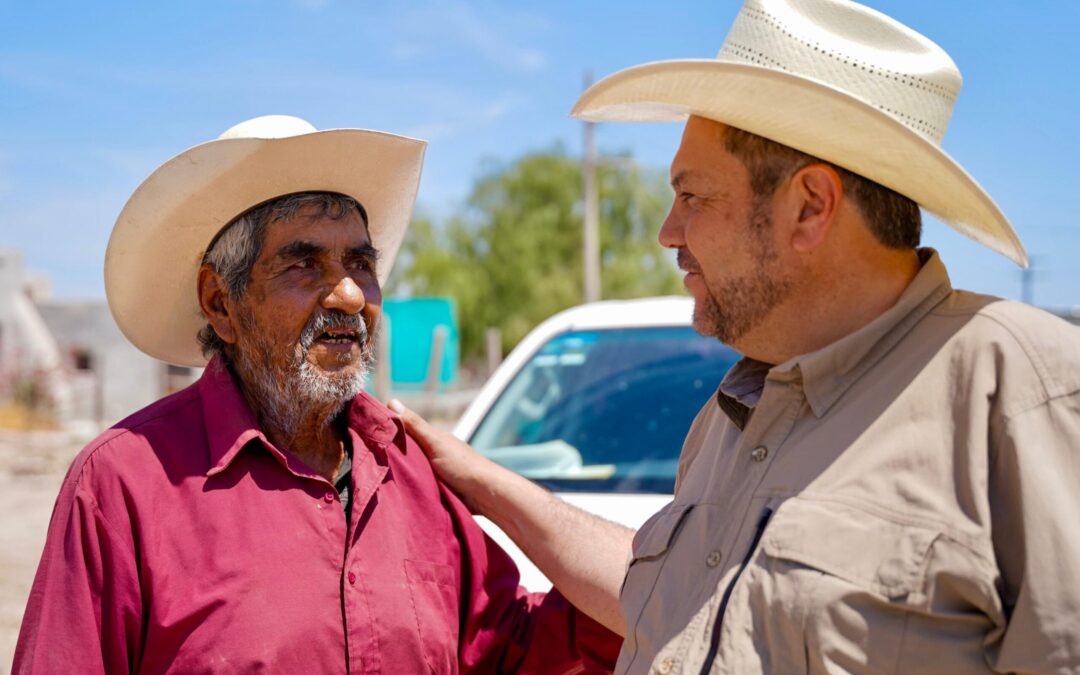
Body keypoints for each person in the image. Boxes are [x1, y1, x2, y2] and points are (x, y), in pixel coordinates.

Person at [391, 1, 1080, 673]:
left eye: (693, 195)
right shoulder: (738, 412)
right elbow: (668, 603)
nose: (668, 231)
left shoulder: (1021, 389)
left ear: (810, 206)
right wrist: (479, 478)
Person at [14, 115, 619, 674]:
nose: (350, 297)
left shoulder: (414, 473)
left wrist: (494, 487)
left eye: (360, 264)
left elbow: (546, 646)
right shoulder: (123, 484)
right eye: (304, 266)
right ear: (221, 303)